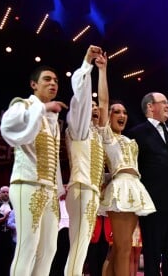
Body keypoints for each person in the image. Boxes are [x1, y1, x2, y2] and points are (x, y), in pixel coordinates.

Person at [0, 65, 67, 276]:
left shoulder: (53, 120)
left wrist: (58, 189)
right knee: (27, 247)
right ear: (33, 84)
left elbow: (53, 159)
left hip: (49, 190)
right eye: (47, 79)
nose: (53, 83)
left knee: (49, 249)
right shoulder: (23, 105)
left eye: (56, 80)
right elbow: (7, 126)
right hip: (26, 184)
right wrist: (44, 108)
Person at [128, 92, 168, 276]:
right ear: (150, 107)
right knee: (152, 256)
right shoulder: (136, 133)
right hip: (152, 204)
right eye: (164, 102)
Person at [64, 45, 109, 276]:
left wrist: (103, 71)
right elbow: (82, 99)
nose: (94, 109)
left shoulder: (96, 133)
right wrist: (87, 62)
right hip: (81, 188)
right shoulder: (79, 127)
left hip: (90, 191)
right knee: (79, 246)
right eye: (90, 108)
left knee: (80, 248)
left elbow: (103, 104)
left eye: (95, 109)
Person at [99, 101, 156, 276]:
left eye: (124, 112)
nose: (122, 115)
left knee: (119, 249)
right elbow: (103, 101)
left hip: (134, 187)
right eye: (116, 112)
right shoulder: (106, 135)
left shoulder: (129, 140)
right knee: (123, 250)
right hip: (120, 188)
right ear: (108, 116)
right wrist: (102, 72)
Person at [0, 185, 14, 276]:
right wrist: (3, 219)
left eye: (7, 192)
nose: (5, 194)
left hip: (10, 235)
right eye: (3, 192)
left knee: (9, 257)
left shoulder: (13, 205)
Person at [49, 186, 70, 276]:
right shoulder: (54, 201)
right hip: (56, 232)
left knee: (66, 257)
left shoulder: (72, 202)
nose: (65, 191)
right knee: (55, 258)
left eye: (66, 189)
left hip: (69, 232)